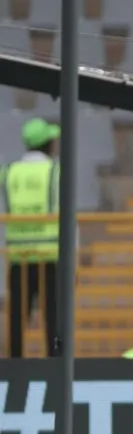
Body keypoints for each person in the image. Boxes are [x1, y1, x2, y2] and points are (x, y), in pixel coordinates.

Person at [1, 118, 60, 358]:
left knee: (17, 317)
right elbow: (65, 214)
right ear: (48, 143)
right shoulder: (55, 171)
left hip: (18, 257)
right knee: (54, 318)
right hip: (49, 256)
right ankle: (57, 365)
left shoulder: (9, 172)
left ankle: (14, 367)